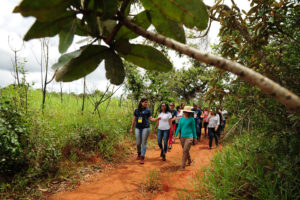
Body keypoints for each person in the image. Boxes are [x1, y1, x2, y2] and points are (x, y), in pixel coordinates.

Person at [130, 98, 161, 164]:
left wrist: (157, 119)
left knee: (143, 142)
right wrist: (131, 128)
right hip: (138, 128)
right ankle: (139, 153)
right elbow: (134, 120)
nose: (146, 103)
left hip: (145, 128)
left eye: (147, 102)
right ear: (141, 102)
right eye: (145, 102)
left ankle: (142, 157)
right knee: (138, 143)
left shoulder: (148, 110)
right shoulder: (136, 110)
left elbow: (151, 119)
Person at [175, 106, 197, 170]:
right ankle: (189, 160)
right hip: (182, 137)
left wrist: (195, 137)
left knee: (185, 151)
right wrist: (175, 135)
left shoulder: (192, 119)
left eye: (188, 112)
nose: (187, 113)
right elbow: (178, 127)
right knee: (186, 150)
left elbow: (193, 129)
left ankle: (182, 166)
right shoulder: (181, 119)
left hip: (189, 137)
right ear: (184, 112)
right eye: (186, 112)